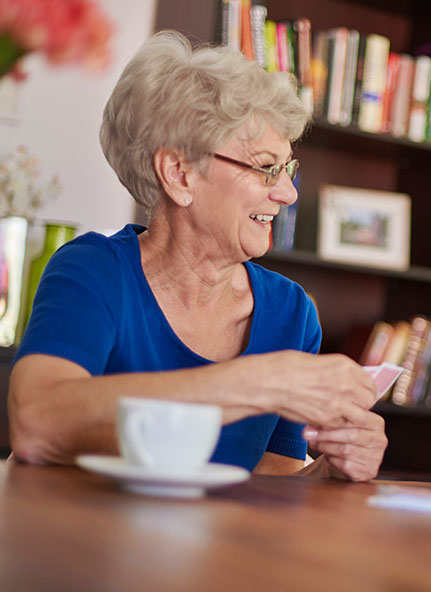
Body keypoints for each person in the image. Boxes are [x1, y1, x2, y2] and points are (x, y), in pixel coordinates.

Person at [8, 31, 387, 481]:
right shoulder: (92, 273)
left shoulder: (291, 312)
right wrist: (258, 383)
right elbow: (36, 423)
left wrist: (330, 470)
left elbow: (273, 482)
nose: (286, 193)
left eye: (287, 169)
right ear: (179, 174)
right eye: (266, 168)